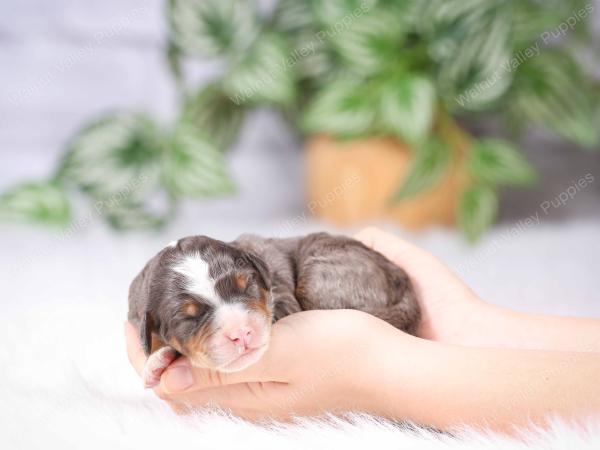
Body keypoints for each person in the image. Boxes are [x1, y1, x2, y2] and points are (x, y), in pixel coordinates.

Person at [125, 227, 600, 433]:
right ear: (155, 329)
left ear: (257, 273)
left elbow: (280, 304)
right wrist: (470, 327)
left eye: (246, 291)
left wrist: (378, 368)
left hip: (347, 273)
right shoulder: (147, 308)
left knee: (314, 284)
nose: (240, 329)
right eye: (193, 317)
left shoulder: (274, 274)